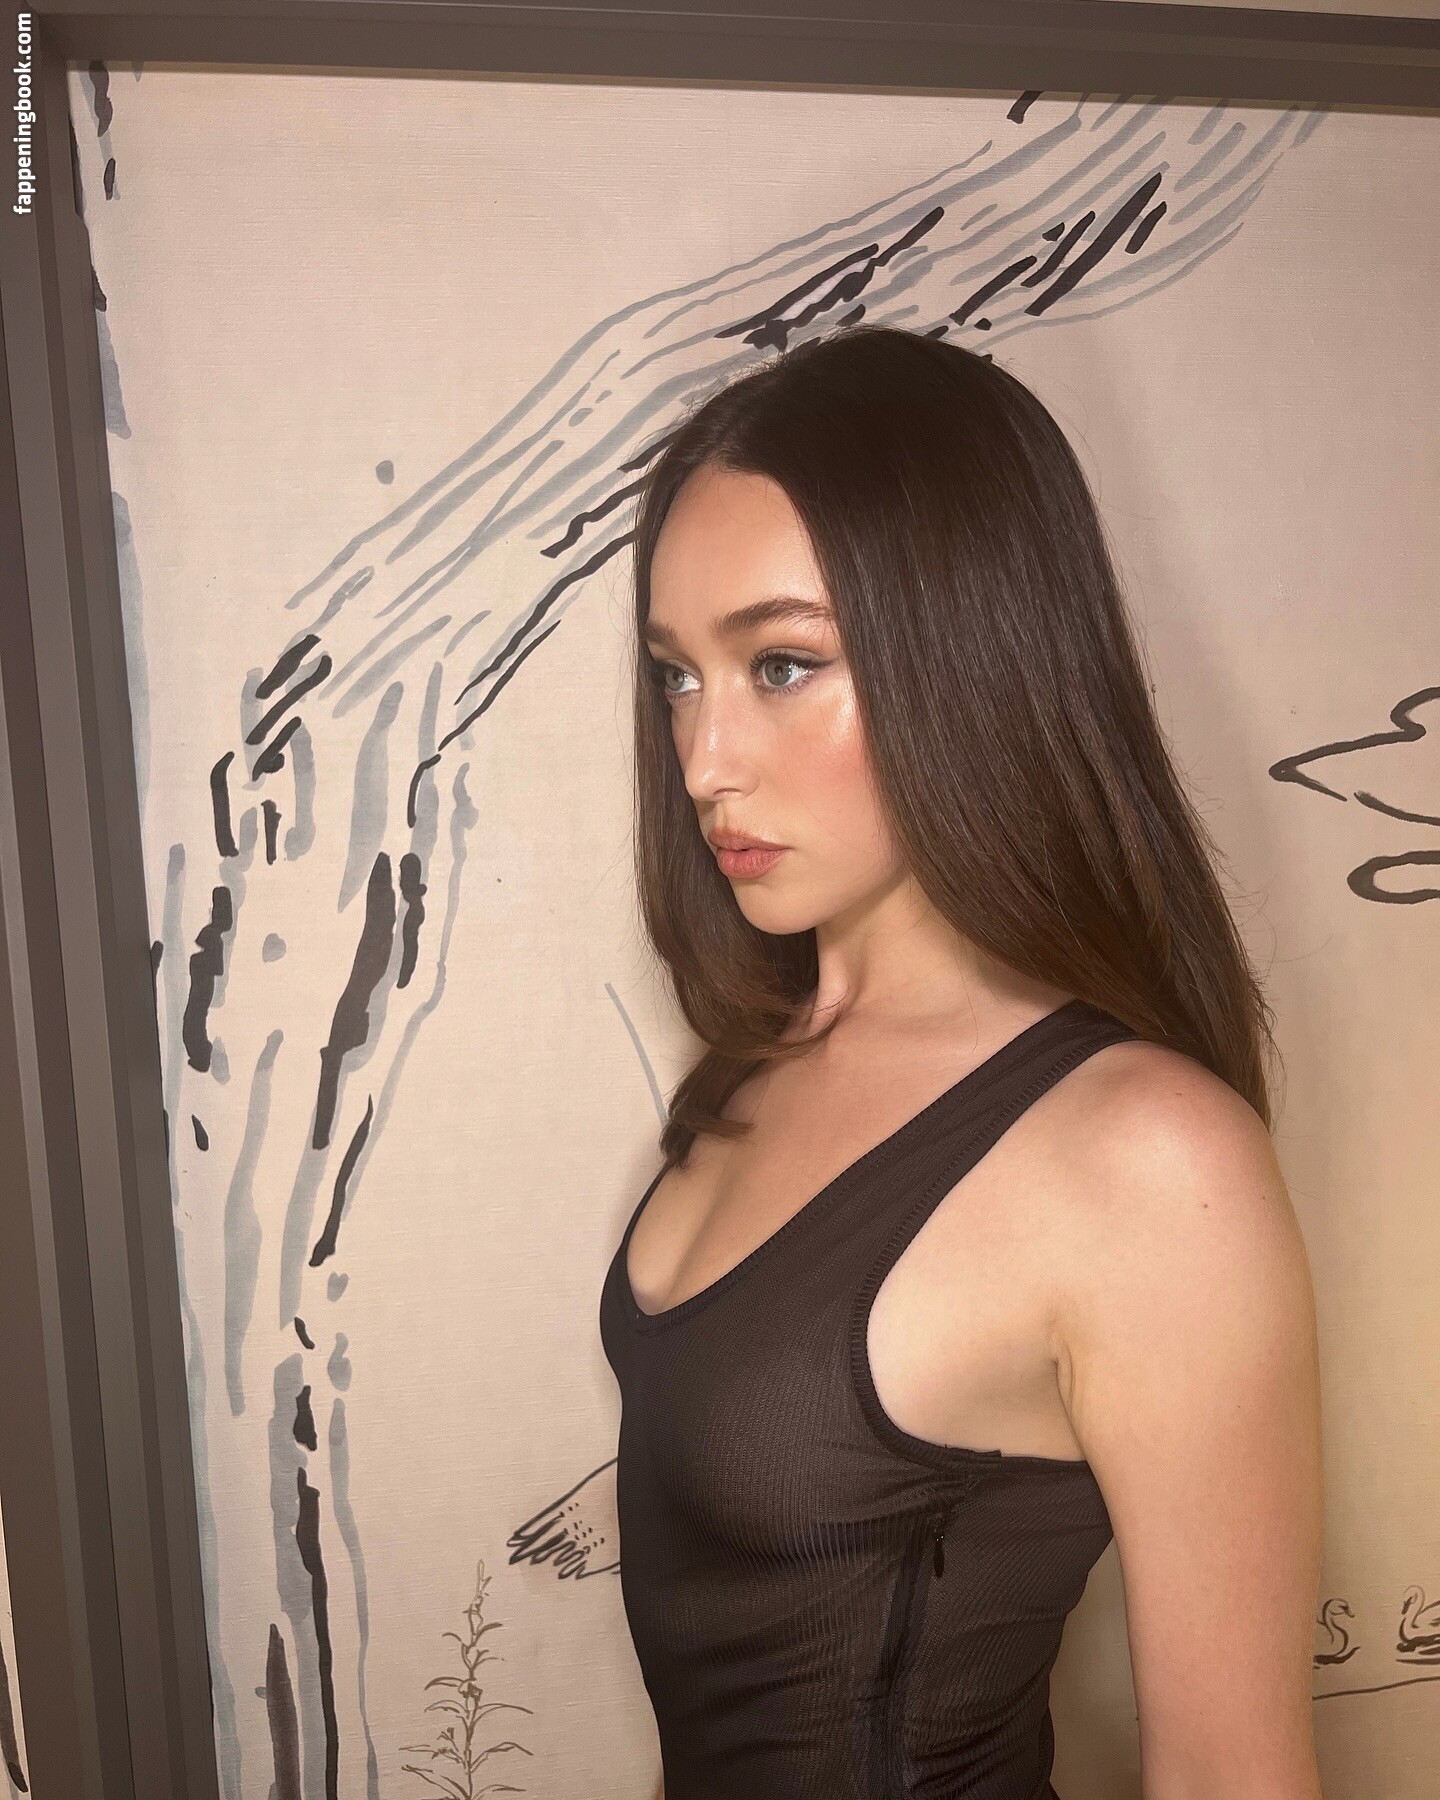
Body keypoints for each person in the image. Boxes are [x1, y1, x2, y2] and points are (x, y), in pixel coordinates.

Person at [598, 324, 1324, 1800]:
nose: (704, 761)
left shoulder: (1147, 1160)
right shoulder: (754, 1060)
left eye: (782, 664)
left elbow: (1234, 1772)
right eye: (677, 676)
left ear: (972, 657)